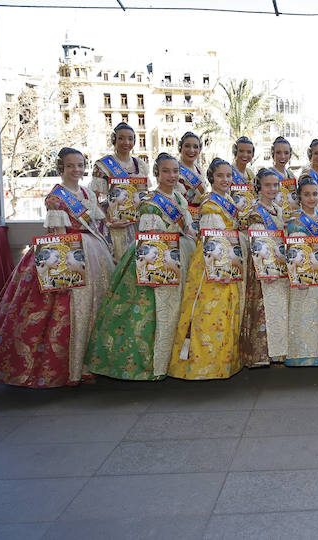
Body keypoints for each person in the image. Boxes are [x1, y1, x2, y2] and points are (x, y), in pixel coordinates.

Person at [0, 148, 115, 388]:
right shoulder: (55, 198)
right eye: (71, 166)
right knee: (67, 312)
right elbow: (59, 236)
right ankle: (69, 368)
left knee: (95, 308)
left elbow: (98, 223)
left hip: (93, 252)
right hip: (69, 253)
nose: (76, 170)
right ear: (62, 168)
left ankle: (93, 362)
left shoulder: (87, 193)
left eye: (80, 165)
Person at [86, 153, 194, 380]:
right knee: (153, 310)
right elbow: (149, 238)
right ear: (157, 173)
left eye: (175, 171)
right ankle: (151, 364)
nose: (172, 176)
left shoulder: (181, 199)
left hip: (182, 254)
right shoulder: (150, 203)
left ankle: (175, 360)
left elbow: (190, 229)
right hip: (158, 259)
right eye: (166, 171)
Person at [168, 158, 243, 379]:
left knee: (225, 308)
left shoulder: (227, 200)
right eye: (220, 176)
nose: (225, 180)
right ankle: (205, 365)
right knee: (209, 309)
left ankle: (222, 363)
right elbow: (215, 240)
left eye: (228, 176)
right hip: (213, 261)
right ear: (211, 178)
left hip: (227, 258)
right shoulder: (211, 204)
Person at [238, 169, 290, 367]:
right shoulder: (255, 212)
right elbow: (257, 244)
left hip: (279, 263)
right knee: (265, 308)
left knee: (279, 307)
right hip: (264, 266)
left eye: (275, 185)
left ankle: (280, 350)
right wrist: (266, 268)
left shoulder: (278, 209)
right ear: (259, 186)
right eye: (268, 185)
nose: (272, 189)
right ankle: (263, 354)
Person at [284, 175, 318, 367]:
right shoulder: (295, 219)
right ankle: (302, 353)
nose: (311, 198)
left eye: (314, 194)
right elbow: (294, 250)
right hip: (303, 270)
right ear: (299, 196)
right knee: (304, 309)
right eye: (307, 195)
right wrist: (298, 277)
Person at [91, 122, 150, 260]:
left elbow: (145, 193)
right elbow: (94, 198)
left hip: (136, 221)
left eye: (130, 139)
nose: (126, 142)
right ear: (114, 140)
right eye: (121, 138)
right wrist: (108, 222)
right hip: (114, 222)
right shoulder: (103, 165)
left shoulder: (140, 165)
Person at [175, 131, 207, 223]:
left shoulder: (199, 170)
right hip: (181, 219)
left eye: (195, 147)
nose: (191, 150)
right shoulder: (174, 169)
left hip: (200, 218)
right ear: (181, 148)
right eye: (187, 146)